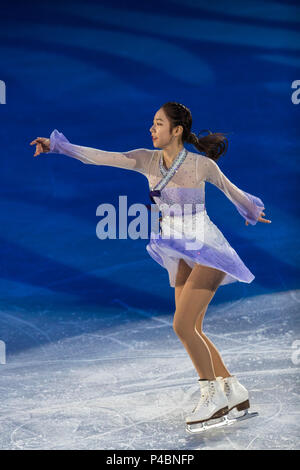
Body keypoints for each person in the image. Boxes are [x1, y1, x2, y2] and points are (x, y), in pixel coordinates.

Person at [30, 101, 271, 427]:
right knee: (192, 328)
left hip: (208, 248)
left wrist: (251, 210)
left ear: (177, 130)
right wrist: (58, 146)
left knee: (182, 326)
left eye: (158, 124)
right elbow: (102, 157)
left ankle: (212, 396)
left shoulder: (201, 165)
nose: (151, 129)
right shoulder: (147, 159)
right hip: (176, 247)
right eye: (152, 124)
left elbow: (233, 191)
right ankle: (232, 388)